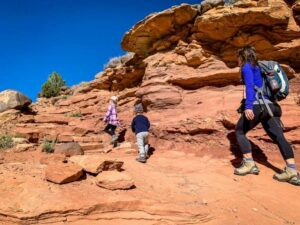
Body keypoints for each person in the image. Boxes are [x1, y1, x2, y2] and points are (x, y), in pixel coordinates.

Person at [234, 46, 299, 185]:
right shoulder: (259, 67)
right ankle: (292, 171)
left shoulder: (247, 66)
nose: (237, 62)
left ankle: (249, 164)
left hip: (259, 105)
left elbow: (250, 87)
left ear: (242, 57)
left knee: (240, 131)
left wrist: (249, 106)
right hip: (272, 106)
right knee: (279, 136)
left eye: (238, 58)